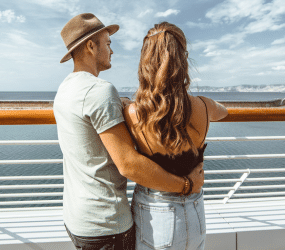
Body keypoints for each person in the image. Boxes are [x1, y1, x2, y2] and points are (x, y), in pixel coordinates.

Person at [53, 13, 204, 250]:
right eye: (108, 43)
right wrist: (186, 185)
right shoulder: (99, 91)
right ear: (91, 46)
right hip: (107, 224)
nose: (112, 51)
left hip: (76, 217)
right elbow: (129, 164)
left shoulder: (65, 89)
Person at [123, 22, 228, 250]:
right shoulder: (203, 106)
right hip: (195, 210)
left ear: (145, 62)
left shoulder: (134, 113)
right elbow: (224, 111)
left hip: (155, 213)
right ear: (182, 60)